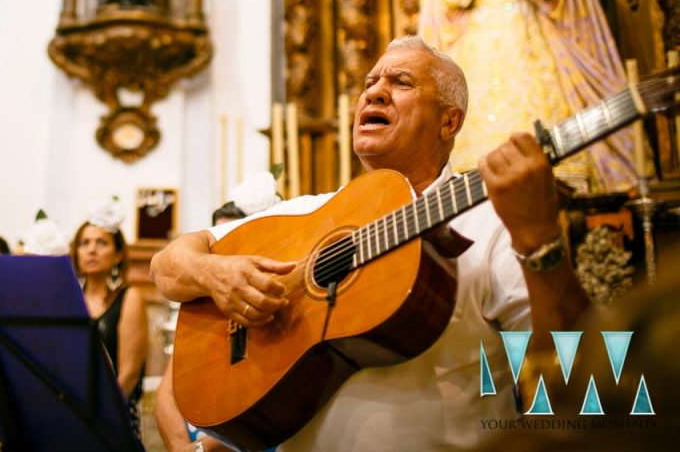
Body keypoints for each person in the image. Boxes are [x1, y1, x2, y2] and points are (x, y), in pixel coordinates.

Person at [150, 36, 591, 451]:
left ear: (449, 121)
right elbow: (168, 265)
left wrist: (541, 242)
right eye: (369, 83)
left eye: (401, 83)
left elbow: (575, 377)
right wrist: (216, 273)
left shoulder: (495, 223)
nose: (374, 93)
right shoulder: (307, 213)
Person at [418, 0, 635, 192]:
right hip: (481, 25)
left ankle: (549, 164)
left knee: (533, 84)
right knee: (481, 88)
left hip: (521, 18)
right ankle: (478, 170)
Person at [155, 178, 279, 452]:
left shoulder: (274, 300)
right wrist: (179, 446)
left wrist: (203, 449)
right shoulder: (203, 302)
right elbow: (168, 389)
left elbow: (268, 398)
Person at [70, 199, 148, 441]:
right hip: (70, 413)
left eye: (101, 243)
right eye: (85, 243)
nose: (91, 250)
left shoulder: (129, 297)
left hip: (114, 416)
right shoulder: (68, 299)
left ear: (117, 255)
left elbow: (129, 375)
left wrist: (97, 418)